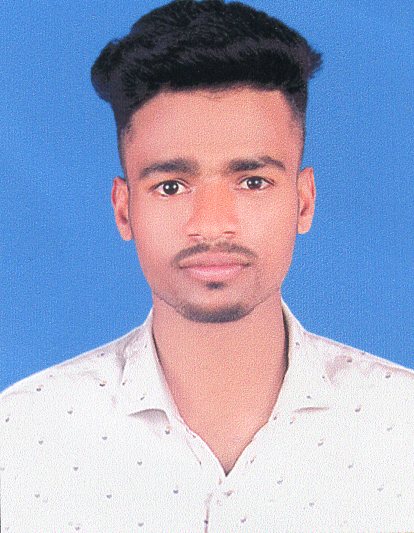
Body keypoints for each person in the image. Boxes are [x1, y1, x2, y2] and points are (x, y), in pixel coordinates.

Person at [1, 1, 413, 531]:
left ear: (304, 201)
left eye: (252, 182)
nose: (212, 224)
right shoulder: (25, 437)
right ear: (124, 209)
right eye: (171, 186)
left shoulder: (399, 428)